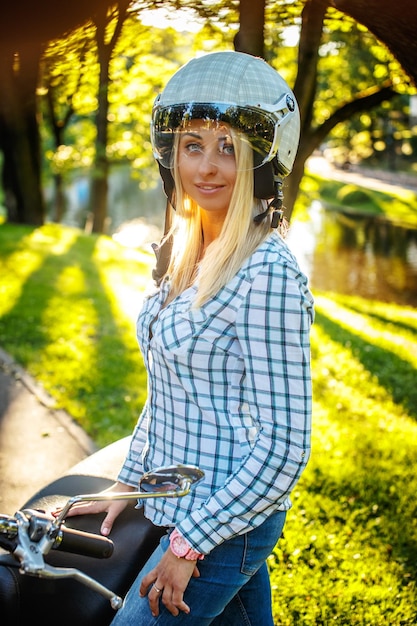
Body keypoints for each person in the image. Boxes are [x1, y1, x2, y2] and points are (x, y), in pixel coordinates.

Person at [63, 50, 314, 625]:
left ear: (262, 159)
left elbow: (285, 444)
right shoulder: (185, 249)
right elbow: (171, 392)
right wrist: (130, 482)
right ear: (170, 152)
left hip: (228, 517)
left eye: (229, 147)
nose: (207, 166)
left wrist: (187, 546)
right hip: (177, 499)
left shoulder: (266, 273)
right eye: (192, 144)